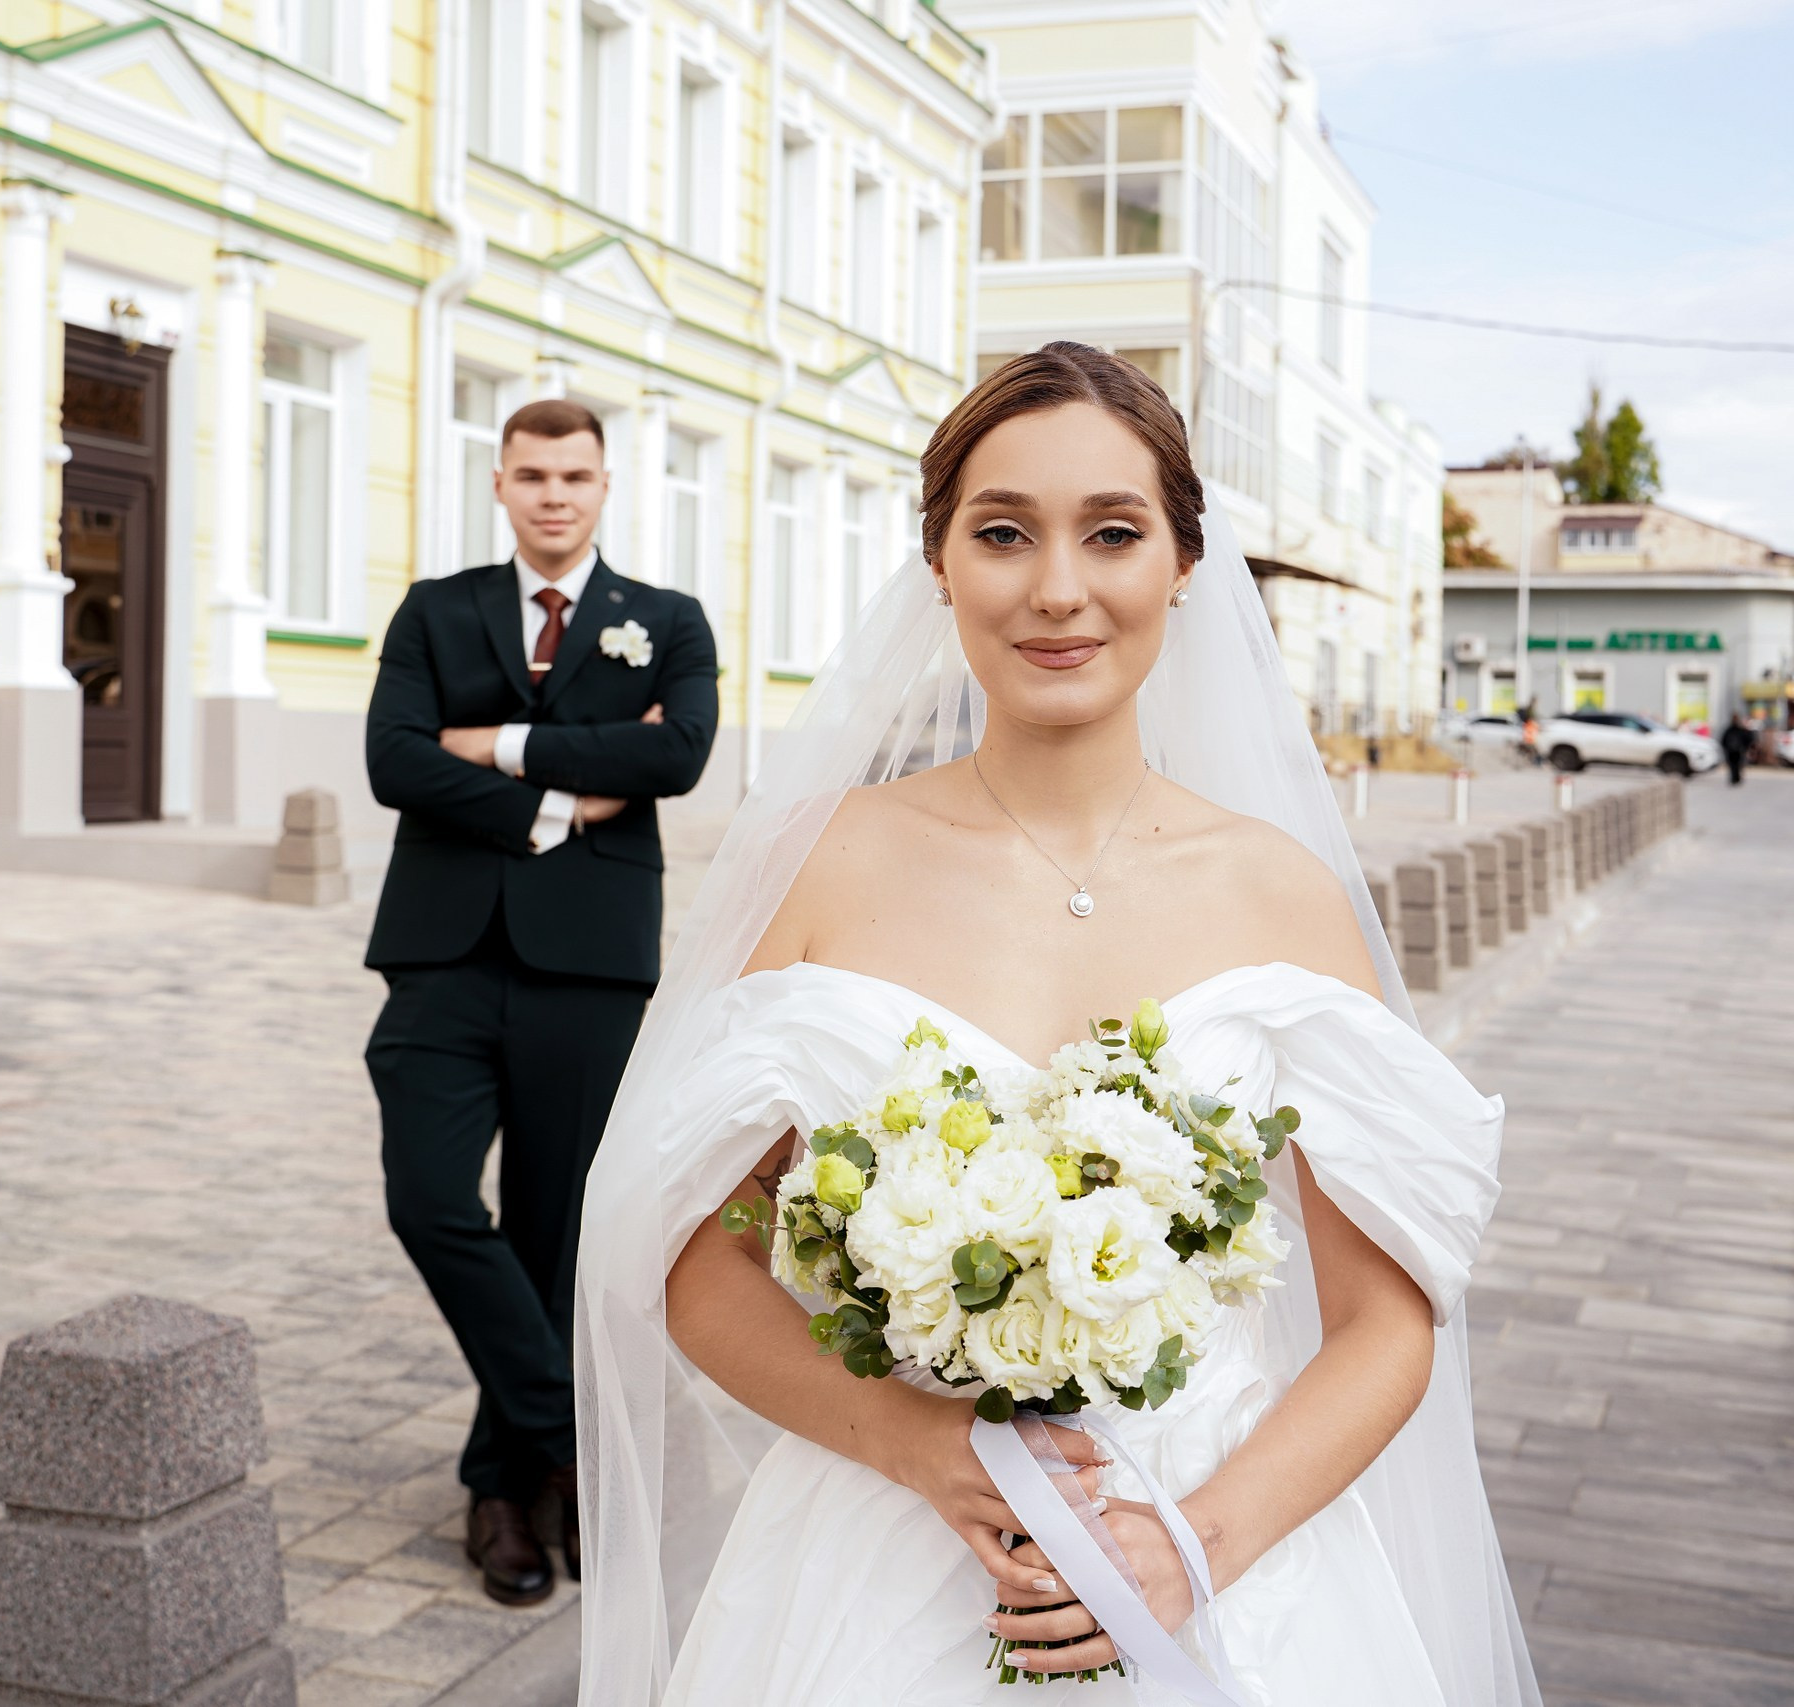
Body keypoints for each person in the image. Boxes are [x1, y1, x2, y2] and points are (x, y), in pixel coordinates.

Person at [574, 345, 1537, 1704]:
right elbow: (699, 1261)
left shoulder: (1282, 891)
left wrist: (1188, 1552)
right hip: (879, 1557)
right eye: (1006, 532)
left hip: (1228, 1565)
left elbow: (1389, 1322)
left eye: (1114, 532)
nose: (1058, 587)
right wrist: (916, 1441)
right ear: (943, 562)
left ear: (1185, 565)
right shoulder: (815, 860)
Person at [361, 397, 719, 1607]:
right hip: (442, 954)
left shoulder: (665, 621)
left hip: (590, 965)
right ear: (501, 485)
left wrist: (497, 749)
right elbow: (391, 757)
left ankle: (505, 1491)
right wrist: (562, 800)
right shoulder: (436, 608)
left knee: (556, 1235)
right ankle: (568, 1435)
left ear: (604, 485)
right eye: (530, 475)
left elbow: (676, 758)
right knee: (426, 1197)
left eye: (574, 475)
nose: (552, 494)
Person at [1719, 714, 1756, 785]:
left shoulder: (1730, 729)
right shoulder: (1739, 730)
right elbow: (1748, 739)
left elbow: (1723, 740)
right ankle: (1736, 778)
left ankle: (1735, 778)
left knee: (1734, 765)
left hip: (1733, 751)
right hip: (1737, 751)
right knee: (1737, 765)